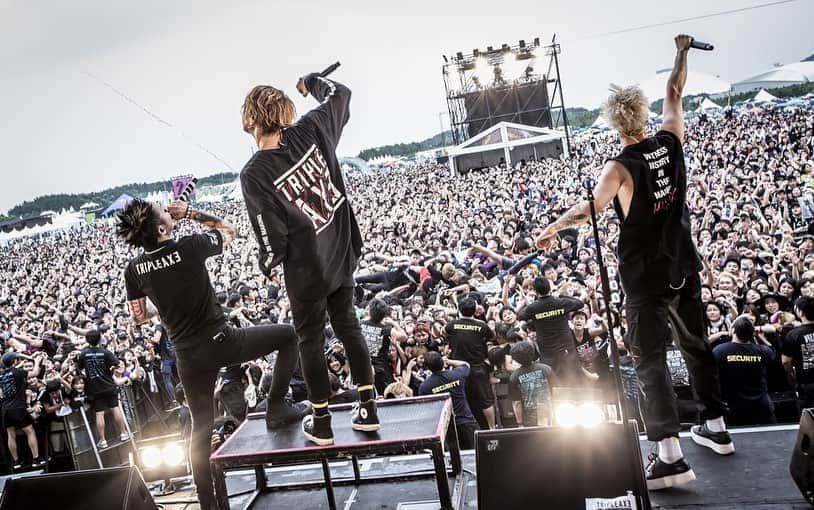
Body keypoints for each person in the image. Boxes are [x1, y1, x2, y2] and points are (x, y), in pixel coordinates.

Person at [535, 35, 733, 491]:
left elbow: (590, 210)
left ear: (615, 124)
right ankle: (717, 427)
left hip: (645, 277)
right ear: (643, 116)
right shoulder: (671, 139)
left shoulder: (620, 166)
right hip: (682, 261)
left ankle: (670, 457)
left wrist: (552, 228)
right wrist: (681, 54)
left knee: (649, 361)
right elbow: (676, 92)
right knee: (696, 345)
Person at [117, 198, 308, 510]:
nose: (168, 209)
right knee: (288, 336)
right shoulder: (189, 246)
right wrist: (191, 213)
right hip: (222, 341)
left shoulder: (134, 269)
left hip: (187, 358)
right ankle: (276, 407)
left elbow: (139, 315)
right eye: (164, 210)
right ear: (162, 227)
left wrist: (164, 306)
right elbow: (227, 230)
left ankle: (208, 504)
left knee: (200, 428)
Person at [239, 73, 378, 446]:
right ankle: (367, 408)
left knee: (310, 340)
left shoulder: (254, 173)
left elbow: (270, 233)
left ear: (251, 120)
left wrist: (268, 263)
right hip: (341, 247)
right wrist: (312, 81)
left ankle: (322, 422)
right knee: (348, 325)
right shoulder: (312, 127)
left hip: (306, 269)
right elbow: (341, 92)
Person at [518, 277, 584, 385]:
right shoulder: (561, 302)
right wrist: (561, 295)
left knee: (552, 384)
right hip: (566, 350)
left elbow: (521, 316)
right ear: (550, 288)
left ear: (535, 291)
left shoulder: (533, 307)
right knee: (574, 382)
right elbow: (580, 303)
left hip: (548, 353)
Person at [443, 296, 496, 429]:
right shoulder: (482, 325)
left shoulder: (452, 325)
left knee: (463, 401)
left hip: (459, 369)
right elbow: (492, 336)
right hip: (478, 368)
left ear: (459, 310)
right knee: (486, 401)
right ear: (475, 310)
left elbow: (443, 332)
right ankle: (492, 429)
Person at [713, 317, 775, 425]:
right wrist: (761, 338)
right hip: (761, 405)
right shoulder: (763, 351)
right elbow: (773, 352)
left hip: (734, 407)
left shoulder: (719, 351)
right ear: (752, 333)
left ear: (733, 331)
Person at [76, 330, 130, 449]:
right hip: (109, 385)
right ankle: (123, 433)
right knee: (115, 408)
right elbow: (116, 364)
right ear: (100, 339)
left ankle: (103, 440)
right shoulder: (105, 352)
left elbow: (79, 368)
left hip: (95, 388)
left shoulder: (83, 354)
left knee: (99, 413)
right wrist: (108, 369)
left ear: (87, 340)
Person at [418, 351, 479, 450]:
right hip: (465, 422)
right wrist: (449, 361)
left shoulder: (425, 386)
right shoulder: (457, 374)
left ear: (428, 367)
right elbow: (466, 364)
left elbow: (426, 408)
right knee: (477, 454)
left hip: (445, 428)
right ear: (442, 362)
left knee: (452, 460)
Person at [0, 352, 45, 470]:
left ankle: (16, 462)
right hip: (18, 408)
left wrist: (21, 362)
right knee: (29, 431)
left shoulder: (1, 374)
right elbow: (36, 373)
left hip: (5, 409)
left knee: (11, 435)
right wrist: (36, 361)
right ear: (14, 362)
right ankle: (36, 459)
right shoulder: (18, 372)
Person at [508, 341, 558, 427]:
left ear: (515, 358)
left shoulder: (514, 377)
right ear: (532, 352)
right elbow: (557, 391)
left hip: (530, 419)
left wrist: (520, 423)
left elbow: (517, 403)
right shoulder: (546, 369)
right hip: (551, 413)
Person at [782, 296, 814, 408]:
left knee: (809, 418)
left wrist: (792, 374)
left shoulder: (793, 334)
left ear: (800, 312)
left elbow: (785, 362)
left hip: (806, 384)